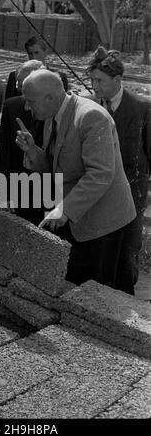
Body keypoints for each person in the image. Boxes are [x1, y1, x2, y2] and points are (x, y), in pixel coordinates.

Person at [16, 69, 136, 289]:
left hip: (103, 223)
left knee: (99, 292)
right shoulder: (54, 115)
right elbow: (59, 166)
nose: (27, 107)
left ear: (50, 98)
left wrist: (65, 210)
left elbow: (100, 174)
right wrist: (33, 151)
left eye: (30, 102)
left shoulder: (90, 116)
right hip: (79, 217)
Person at [88, 46, 151, 295]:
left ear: (117, 80)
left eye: (100, 81)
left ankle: (126, 306)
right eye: (92, 80)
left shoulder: (142, 107)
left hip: (131, 195)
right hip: (97, 194)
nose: (95, 86)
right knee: (99, 252)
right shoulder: (90, 105)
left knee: (126, 254)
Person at [0, 59, 46, 225]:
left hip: (45, 185)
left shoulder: (53, 108)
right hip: (18, 185)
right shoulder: (11, 107)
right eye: (18, 83)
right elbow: (4, 152)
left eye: (23, 83)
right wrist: (4, 192)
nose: (19, 88)